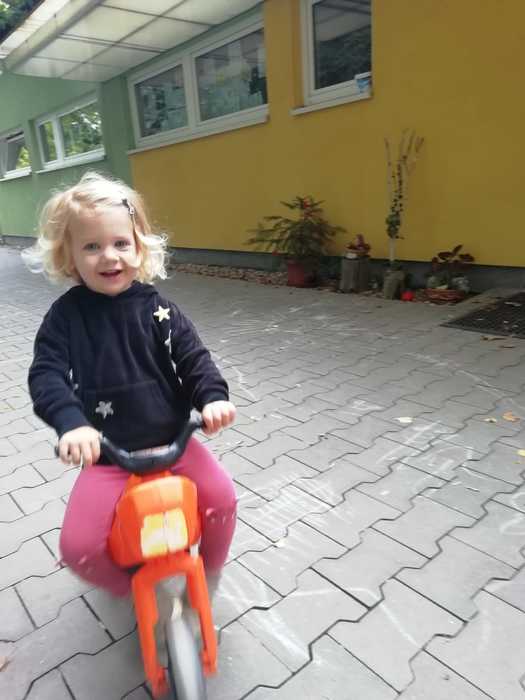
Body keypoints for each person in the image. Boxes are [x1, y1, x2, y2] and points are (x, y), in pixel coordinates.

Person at [24, 171, 237, 598]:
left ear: (139, 247)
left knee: (222, 501)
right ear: (69, 256)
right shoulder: (65, 318)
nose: (109, 257)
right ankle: (135, 589)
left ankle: (210, 569)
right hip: (108, 456)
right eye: (91, 246)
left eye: (121, 243)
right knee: (79, 549)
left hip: (173, 443)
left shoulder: (158, 310)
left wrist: (212, 398)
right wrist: (72, 424)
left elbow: (193, 358)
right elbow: (46, 374)